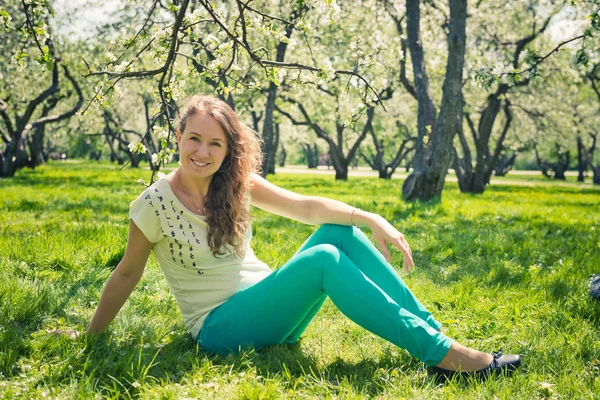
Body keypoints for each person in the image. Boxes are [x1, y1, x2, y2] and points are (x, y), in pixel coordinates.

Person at [63, 96, 522, 383]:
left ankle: (434, 337)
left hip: (269, 308)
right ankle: (443, 355)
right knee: (322, 258)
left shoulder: (235, 182)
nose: (202, 152)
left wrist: (372, 217)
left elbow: (305, 207)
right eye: (194, 139)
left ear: (229, 150)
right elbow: (127, 272)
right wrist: (90, 336)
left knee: (338, 231)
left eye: (216, 144)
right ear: (178, 136)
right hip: (220, 329)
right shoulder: (154, 204)